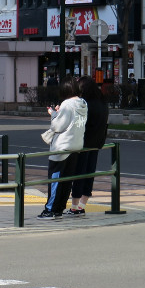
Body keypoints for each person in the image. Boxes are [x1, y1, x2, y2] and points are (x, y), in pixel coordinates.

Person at [38, 76, 87, 221]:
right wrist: (58, 113)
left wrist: (53, 114)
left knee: (56, 178)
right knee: (67, 180)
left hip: (62, 146)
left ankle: (50, 209)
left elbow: (57, 126)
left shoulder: (67, 104)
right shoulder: (82, 103)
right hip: (76, 145)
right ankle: (59, 208)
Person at [66, 76, 109, 217]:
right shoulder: (102, 102)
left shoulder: (85, 104)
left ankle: (74, 206)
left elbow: (77, 123)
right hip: (97, 142)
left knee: (79, 173)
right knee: (89, 173)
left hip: (83, 143)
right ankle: (82, 205)